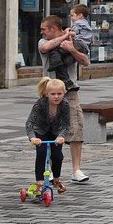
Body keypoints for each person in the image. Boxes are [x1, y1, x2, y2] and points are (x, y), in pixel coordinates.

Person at [38, 15, 90, 183]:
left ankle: (76, 170)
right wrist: (65, 36)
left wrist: (71, 49)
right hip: (49, 92)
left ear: (54, 28)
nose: (41, 32)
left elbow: (85, 61)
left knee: (76, 129)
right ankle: (51, 170)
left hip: (70, 91)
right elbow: (46, 47)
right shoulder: (42, 42)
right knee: (50, 131)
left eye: (44, 29)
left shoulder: (73, 43)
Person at [24, 76, 70, 197]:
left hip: (56, 132)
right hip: (40, 131)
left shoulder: (65, 104)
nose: (56, 97)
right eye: (53, 94)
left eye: (59, 94)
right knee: (42, 152)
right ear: (46, 94)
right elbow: (29, 123)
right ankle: (39, 183)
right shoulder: (40, 104)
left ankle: (56, 179)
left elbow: (66, 125)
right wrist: (33, 138)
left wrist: (61, 136)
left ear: (64, 93)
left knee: (57, 156)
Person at [45, 4, 91, 80]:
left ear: (80, 15)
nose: (71, 17)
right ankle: (62, 69)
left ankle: (55, 62)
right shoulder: (85, 23)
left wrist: (67, 33)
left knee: (58, 48)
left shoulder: (78, 23)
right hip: (84, 47)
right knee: (67, 60)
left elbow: (74, 33)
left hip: (78, 43)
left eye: (72, 15)